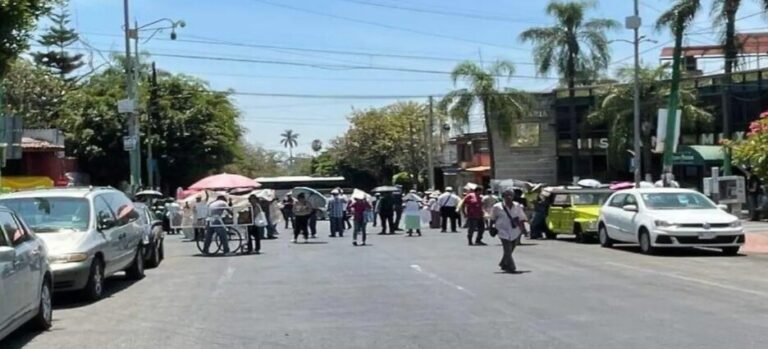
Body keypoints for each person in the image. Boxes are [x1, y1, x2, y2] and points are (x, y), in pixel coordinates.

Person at [490, 189, 528, 273]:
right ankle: (511, 267)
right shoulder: (497, 207)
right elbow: (492, 218)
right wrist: (491, 228)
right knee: (507, 249)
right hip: (502, 230)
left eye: (510, 195)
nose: (509, 197)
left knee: (511, 249)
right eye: (507, 195)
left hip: (515, 230)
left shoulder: (517, 205)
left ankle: (503, 263)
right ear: (503, 197)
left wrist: (524, 230)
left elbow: (521, 218)